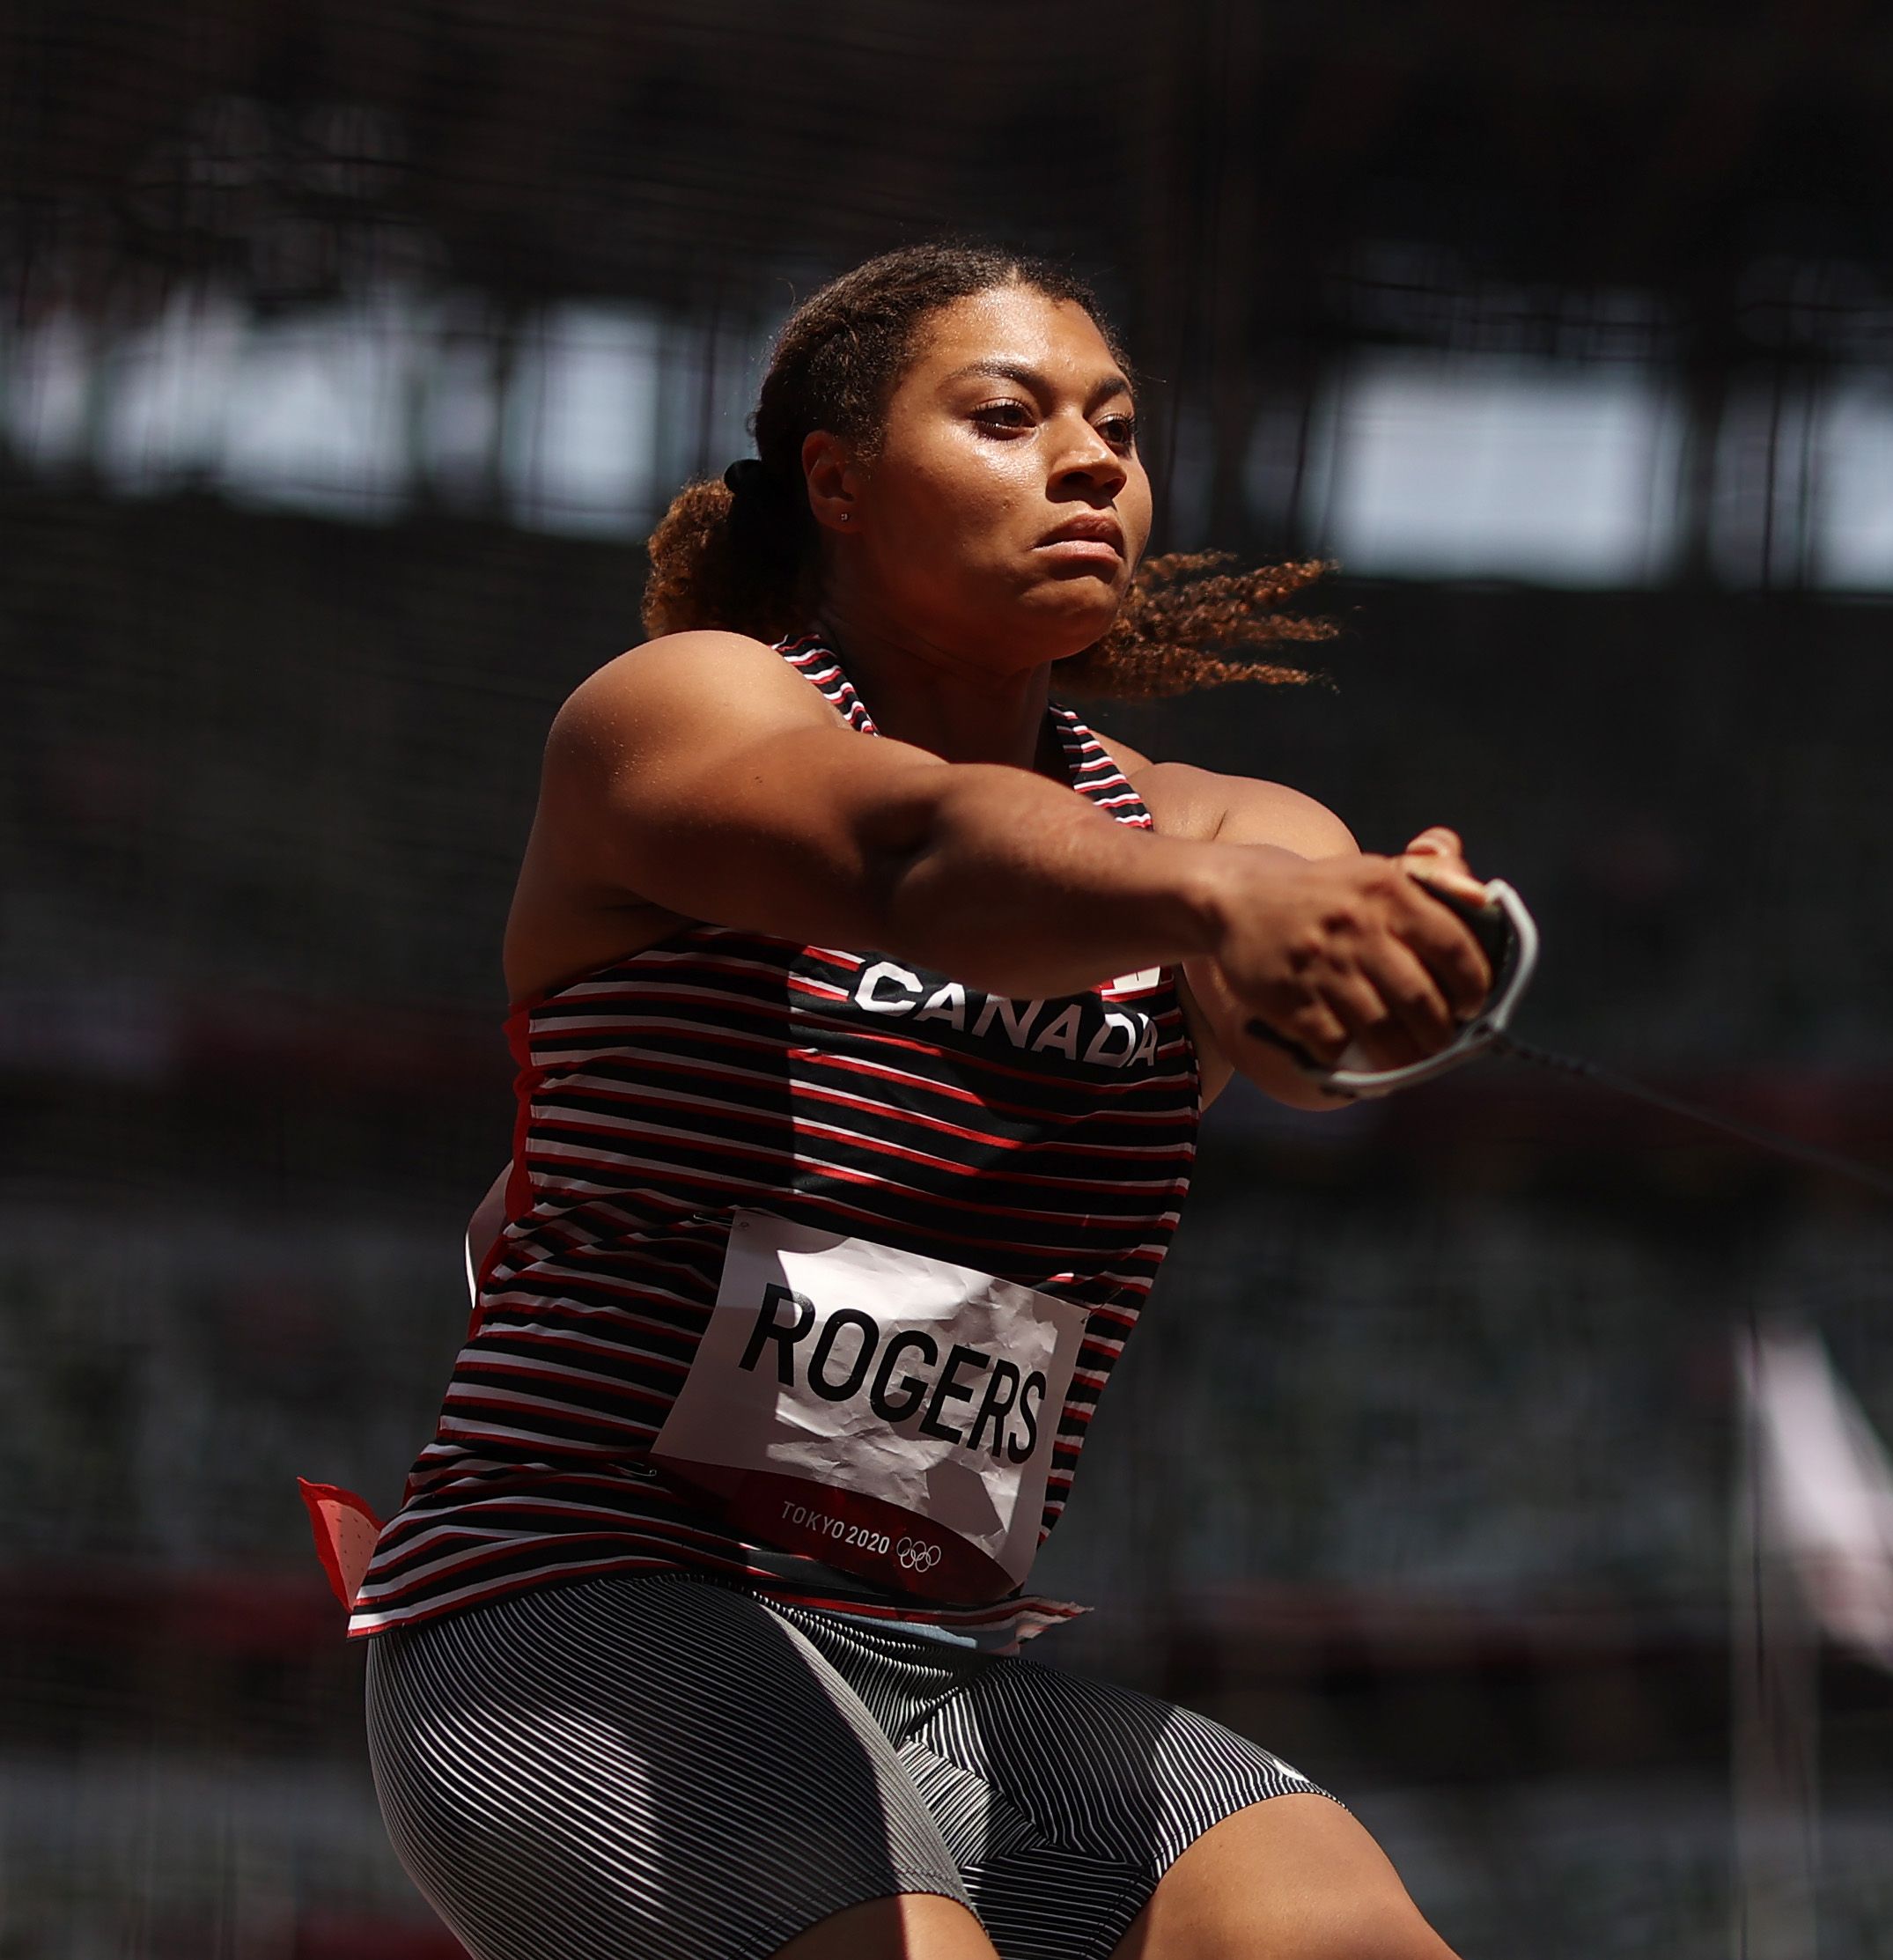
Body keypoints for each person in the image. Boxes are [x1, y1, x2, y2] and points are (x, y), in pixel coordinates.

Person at [351, 243, 1488, 1960]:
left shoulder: (1215, 826)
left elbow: (1300, 1038)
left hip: (939, 1663)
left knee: (1332, 1929)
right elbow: (912, 852)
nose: (1094, 459)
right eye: (1009, 415)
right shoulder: (675, 713)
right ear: (840, 481)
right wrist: (1206, 909)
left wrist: (1401, 964)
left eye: (1116, 424)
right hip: (586, 1613)